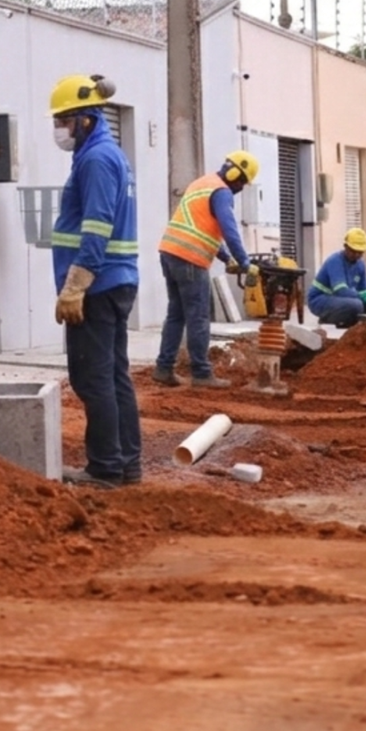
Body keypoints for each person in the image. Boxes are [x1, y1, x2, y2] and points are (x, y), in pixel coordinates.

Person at [49, 73, 141, 488]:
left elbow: (97, 225)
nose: (61, 130)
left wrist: (76, 285)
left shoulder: (97, 159)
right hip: (113, 281)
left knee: (93, 378)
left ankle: (106, 466)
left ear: (85, 120)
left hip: (99, 286)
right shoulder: (103, 153)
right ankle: (125, 464)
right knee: (114, 375)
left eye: (65, 121)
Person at [154, 151, 260, 389]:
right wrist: (244, 262)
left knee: (176, 314)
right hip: (190, 259)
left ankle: (164, 368)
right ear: (235, 174)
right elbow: (228, 228)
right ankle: (201, 373)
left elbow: (202, 225)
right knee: (198, 316)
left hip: (170, 252)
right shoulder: (221, 192)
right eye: (242, 182)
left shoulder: (203, 183)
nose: (241, 188)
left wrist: (225, 257)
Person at [309, 227, 366, 327]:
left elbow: (365, 290)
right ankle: (327, 319)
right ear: (345, 246)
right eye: (353, 251)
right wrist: (363, 299)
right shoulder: (335, 261)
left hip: (339, 299)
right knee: (356, 305)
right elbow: (341, 290)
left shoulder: (360, 265)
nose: (356, 255)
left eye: (360, 252)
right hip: (320, 300)